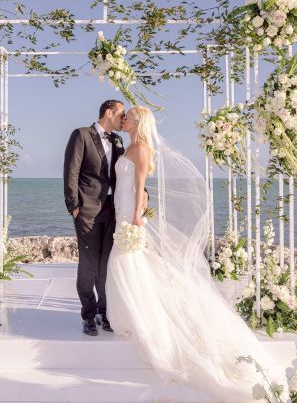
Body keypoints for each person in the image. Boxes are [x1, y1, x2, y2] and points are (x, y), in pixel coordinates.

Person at [106, 105, 283, 401]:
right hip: (121, 206)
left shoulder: (142, 148)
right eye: (123, 117)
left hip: (129, 212)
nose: (123, 120)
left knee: (126, 261)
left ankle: (138, 316)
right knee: (128, 262)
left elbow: (139, 185)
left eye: (128, 117)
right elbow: (131, 183)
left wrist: (137, 215)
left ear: (137, 122)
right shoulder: (130, 146)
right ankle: (129, 314)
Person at [63, 99, 125, 336]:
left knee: (106, 265)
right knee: (88, 265)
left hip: (111, 210)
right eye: (121, 115)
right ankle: (88, 314)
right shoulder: (81, 135)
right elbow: (71, 172)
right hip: (87, 210)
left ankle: (104, 311)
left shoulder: (118, 140)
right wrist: (74, 206)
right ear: (109, 113)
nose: (123, 119)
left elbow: (123, 174)